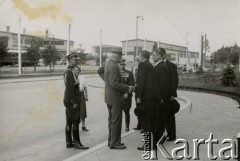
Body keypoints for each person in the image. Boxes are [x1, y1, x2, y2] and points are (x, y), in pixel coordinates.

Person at [97, 50, 134, 150]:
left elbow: (99, 71)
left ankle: (111, 141)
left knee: (112, 120)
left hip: (109, 97)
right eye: (120, 56)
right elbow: (114, 84)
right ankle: (115, 143)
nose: (121, 58)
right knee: (116, 121)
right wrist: (128, 88)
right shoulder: (113, 65)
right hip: (116, 98)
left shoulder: (108, 62)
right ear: (116, 56)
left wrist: (106, 81)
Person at [63, 53, 89, 149]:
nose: (76, 61)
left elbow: (70, 86)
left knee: (69, 121)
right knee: (75, 121)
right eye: (75, 59)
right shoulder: (70, 72)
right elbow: (70, 88)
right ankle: (76, 143)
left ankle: (69, 142)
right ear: (69, 60)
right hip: (71, 100)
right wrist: (74, 102)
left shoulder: (68, 71)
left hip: (68, 100)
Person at [152, 48, 178, 141]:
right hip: (163, 94)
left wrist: (172, 94)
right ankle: (162, 135)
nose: (152, 56)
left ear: (162, 55)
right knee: (164, 115)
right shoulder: (157, 65)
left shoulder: (171, 65)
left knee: (169, 115)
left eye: (154, 55)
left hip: (168, 95)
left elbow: (174, 81)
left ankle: (171, 135)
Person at [135, 50, 159, 150]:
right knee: (151, 121)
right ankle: (153, 144)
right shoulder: (150, 65)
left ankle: (147, 145)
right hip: (152, 98)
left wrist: (138, 96)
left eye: (139, 55)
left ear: (142, 56)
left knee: (146, 122)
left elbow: (141, 82)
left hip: (145, 97)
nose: (138, 57)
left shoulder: (142, 65)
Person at [118, 59, 135, 132]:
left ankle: (127, 127)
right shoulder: (116, 73)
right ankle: (118, 127)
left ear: (125, 65)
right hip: (118, 96)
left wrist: (127, 93)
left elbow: (132, 84)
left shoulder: (129, 73)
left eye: (123, 64)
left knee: (126, 112)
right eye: (121, 64)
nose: (122, 65)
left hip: (127, 96)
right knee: (118, 113)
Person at [73, 66, 89, 131]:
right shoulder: (72, 78)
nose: (77, 71)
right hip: (75, 95)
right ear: (73, 71)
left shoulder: (82, 77)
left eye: (78, 70)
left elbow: (85, 87)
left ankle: (83, 126)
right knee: (75, 110)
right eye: (75, 70)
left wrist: (86, 95)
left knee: (82, 110)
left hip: (81, 93)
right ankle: (75, 126)